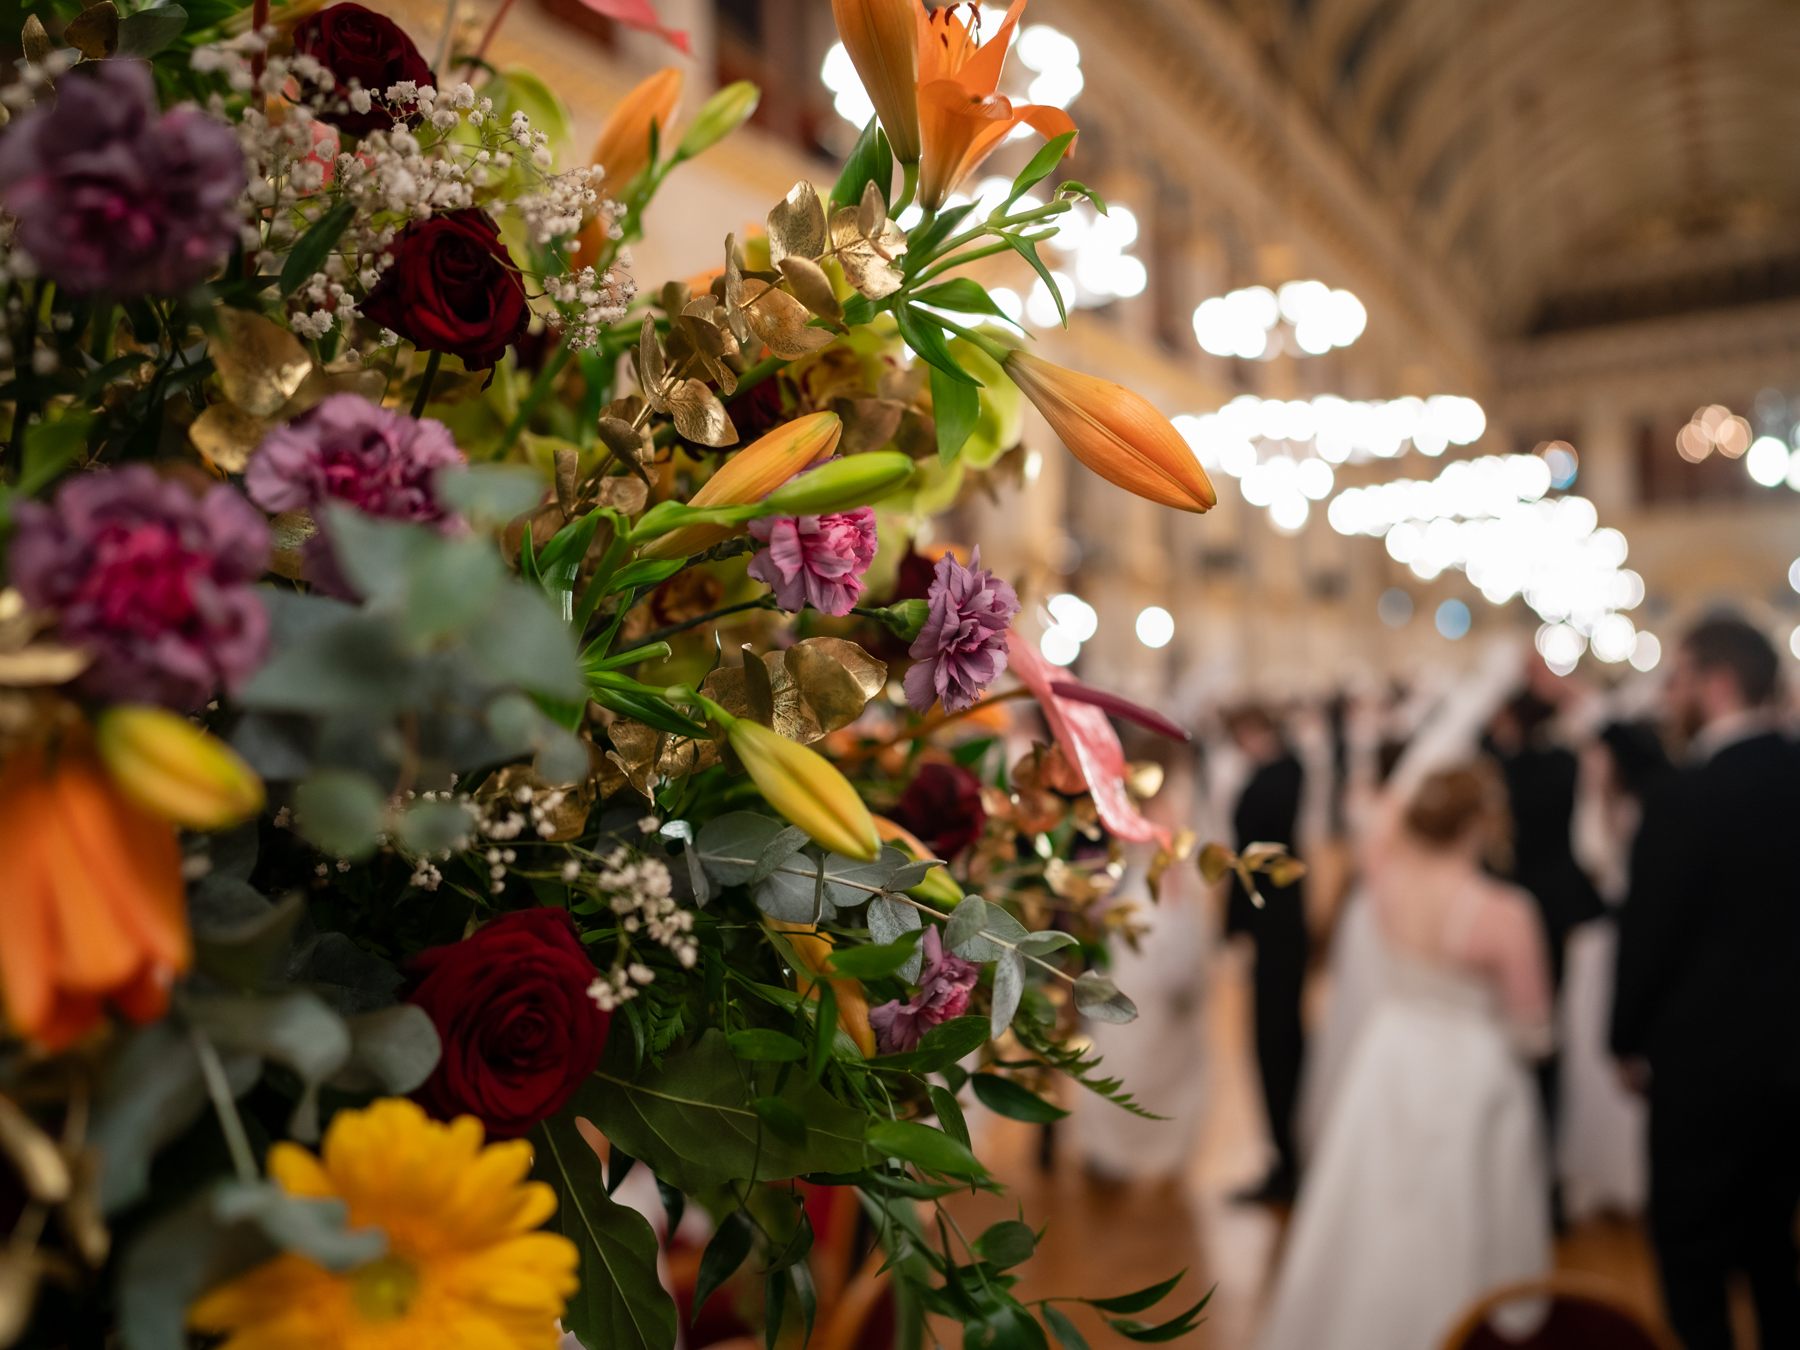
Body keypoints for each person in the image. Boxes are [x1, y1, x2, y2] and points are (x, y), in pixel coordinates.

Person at [1257, 764, 1553, 1350]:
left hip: (1391, 1058)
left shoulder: (1383, 887)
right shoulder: (1505, 913)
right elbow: (1533, 1030)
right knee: (1458, 1215)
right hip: (1471, 1070)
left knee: (1375, 1211)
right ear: (1482, 823)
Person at [1612, 615, 1800, 1350]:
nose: (1671, 695)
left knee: (1693, 1264)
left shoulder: (1684, 798)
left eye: (1681, 677)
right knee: (1775, 1251)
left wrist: (1624, 1039)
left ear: (1716, 685)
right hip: (1791, 1063)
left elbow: (1650, 936)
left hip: (1701, 1071)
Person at [1223, 704, 1308, 1204]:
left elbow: (1250, 860)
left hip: (1273, 924)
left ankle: (1285, 1159)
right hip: (1278, 922)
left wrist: (1236, 928)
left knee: (1274, 1040)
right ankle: (1284, 1153)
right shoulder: (1288, 771)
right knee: (1276, 1039)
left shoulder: (1276, 777)